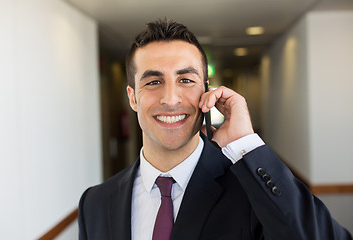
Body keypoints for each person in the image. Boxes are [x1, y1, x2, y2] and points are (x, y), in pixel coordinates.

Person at [78, 19, 352, 240]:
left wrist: (246, 144)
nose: (171, 99)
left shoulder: (253, 193)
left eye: (185, 79)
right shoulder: (95, 203)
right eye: (153, 82)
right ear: (132, 97)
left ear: (207, 92)